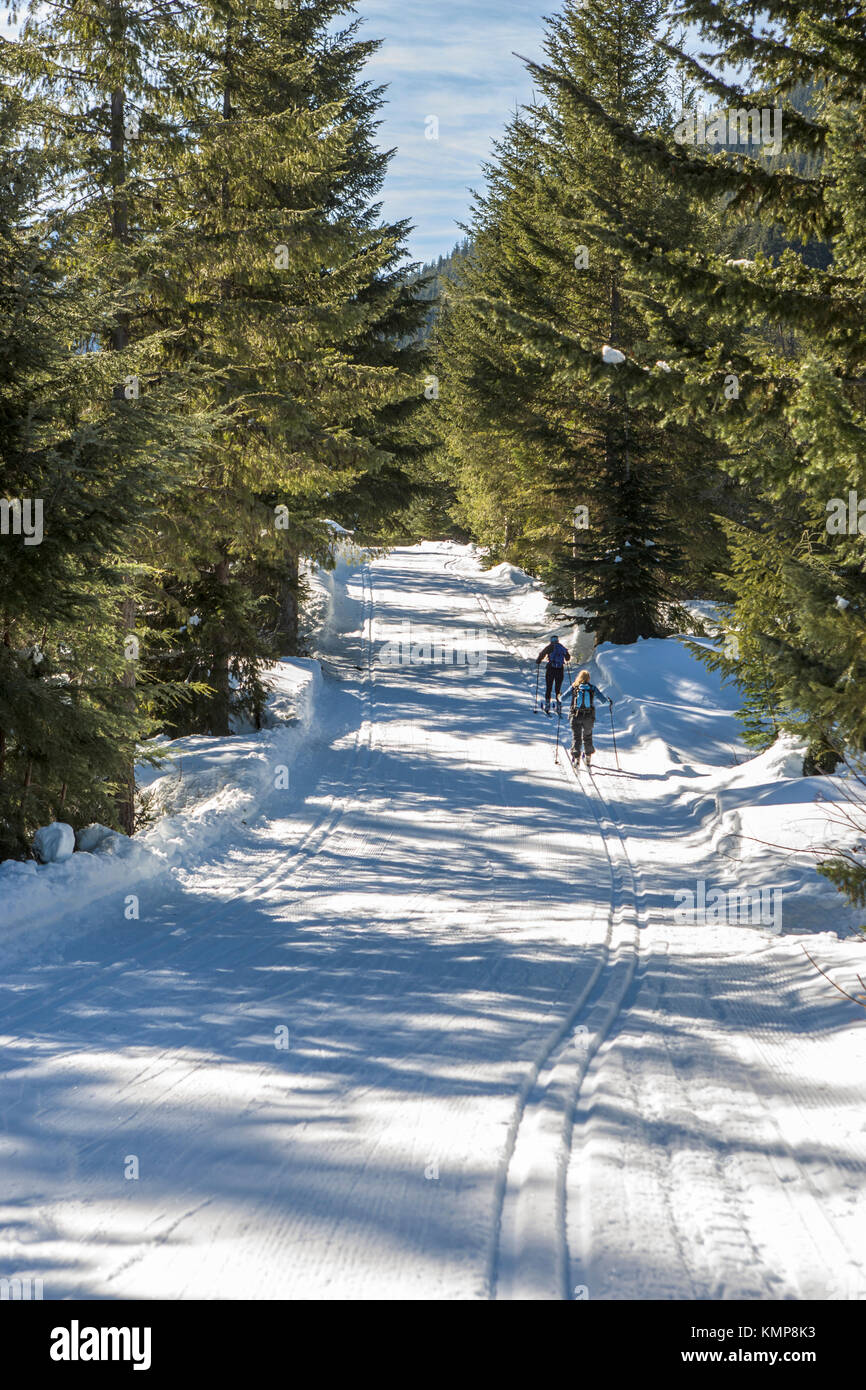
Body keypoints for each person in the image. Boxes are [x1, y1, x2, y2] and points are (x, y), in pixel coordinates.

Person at [570, 668, 612, 767]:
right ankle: (588, 757)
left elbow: (562, 698)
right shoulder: (592, 688)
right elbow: (603, 700)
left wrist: (558, 697)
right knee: (587, 736)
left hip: (576, 715)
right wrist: (609, 702)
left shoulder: (574, 687)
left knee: (576, 736)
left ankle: (576, 758)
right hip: (589, 716)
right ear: (588, 678)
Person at [536, 635, 570, 713]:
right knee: (558, 689)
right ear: (558, 640)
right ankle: (558, 707)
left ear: (551, 640)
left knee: (549, 688)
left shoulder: (549, 647)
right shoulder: (562, 647)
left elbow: (542, 654)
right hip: (560, 670)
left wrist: (538, 661)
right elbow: (568, 658)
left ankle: (547, 706)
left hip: (550, 669)